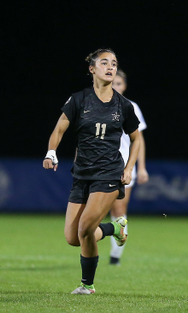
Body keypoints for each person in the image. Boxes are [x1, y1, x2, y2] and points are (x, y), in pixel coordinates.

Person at [43, 48, 140, 295]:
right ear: (92, 69)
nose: (110, 67)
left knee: (86, 227)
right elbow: (59, 129)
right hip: (82, 174)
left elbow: (136, 139)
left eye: (114, 63)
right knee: (73, 238)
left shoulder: (124, 105)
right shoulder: (78, 99)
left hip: (109, 173)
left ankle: (87, 286)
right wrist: (51, 152)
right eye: (104, 62)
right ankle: (114, 229)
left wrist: (129, 168)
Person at [109, 69, 149, 265]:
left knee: (119, 209)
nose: (115, 86)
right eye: (112, 82)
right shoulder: (99, 104)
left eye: (119, 83)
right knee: (103, 209)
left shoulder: (131, 107)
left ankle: (116, 254)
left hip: (125, 165)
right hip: (101, 165)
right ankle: (110, 250)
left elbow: (138, 140)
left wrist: (141, 168)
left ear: (124, 86)